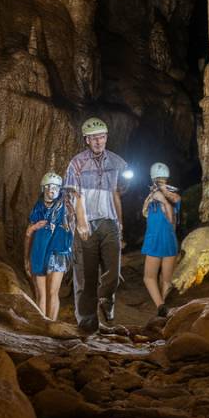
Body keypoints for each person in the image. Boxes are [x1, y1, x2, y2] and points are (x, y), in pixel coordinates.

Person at [64, 117, 128, 332]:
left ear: (106, 137)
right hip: (87, 221)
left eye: (101, 137)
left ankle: (107, 298)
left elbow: (116, 194)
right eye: (93, 138)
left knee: (113, 270)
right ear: (87, 140)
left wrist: (120, 222)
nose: (98, 141)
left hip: (109, 221)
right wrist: (81, 222)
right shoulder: (77, 163)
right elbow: (75, 194)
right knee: (86, 275)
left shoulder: (117, 162)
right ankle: (87, 322)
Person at [24, 171, 88, 321]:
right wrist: (26, 257)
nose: (51, 190)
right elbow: (28, 234)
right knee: (41, 294)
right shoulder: (38, 207)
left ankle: (51, 324)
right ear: (43, 188)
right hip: (39, 252)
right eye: (48, 186)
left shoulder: (66, 204)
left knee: (52, 291)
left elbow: (78, 204)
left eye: (55, 187)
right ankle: (42, 325)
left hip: (58, 252)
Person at [141, 162, 182, 317]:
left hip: (158, 240)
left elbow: (171, 219)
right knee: (164, 280)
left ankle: (161, 306)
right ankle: (165, 309)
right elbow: (144, 213)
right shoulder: (153, 198)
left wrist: (163, 199)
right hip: (165, 240)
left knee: (152, 277)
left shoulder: (173, 198)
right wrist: (151, 199)